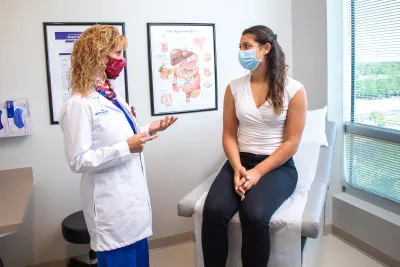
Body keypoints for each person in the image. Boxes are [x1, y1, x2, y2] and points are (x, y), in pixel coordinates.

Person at [59, 25, 177, 267]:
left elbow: (121, 136)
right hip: (110, 208)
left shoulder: (110, 94)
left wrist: (149, 129)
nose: (122, 61)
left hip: (132, 205)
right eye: (117, 54)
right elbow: (78, 160)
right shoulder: (79, 104)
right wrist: (126, 147)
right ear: (96, 55)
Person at [201, 25, 307, 267]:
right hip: (240, 161)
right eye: (240, 47)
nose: (242, 52)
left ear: (266, 48)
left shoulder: (294, 90)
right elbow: (228, 134)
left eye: (247, 46)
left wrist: (258, 172)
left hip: (277, 167)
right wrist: (238, 167)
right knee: (214, 210)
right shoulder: (234, 88)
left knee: (254, 214)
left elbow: (292, 143)